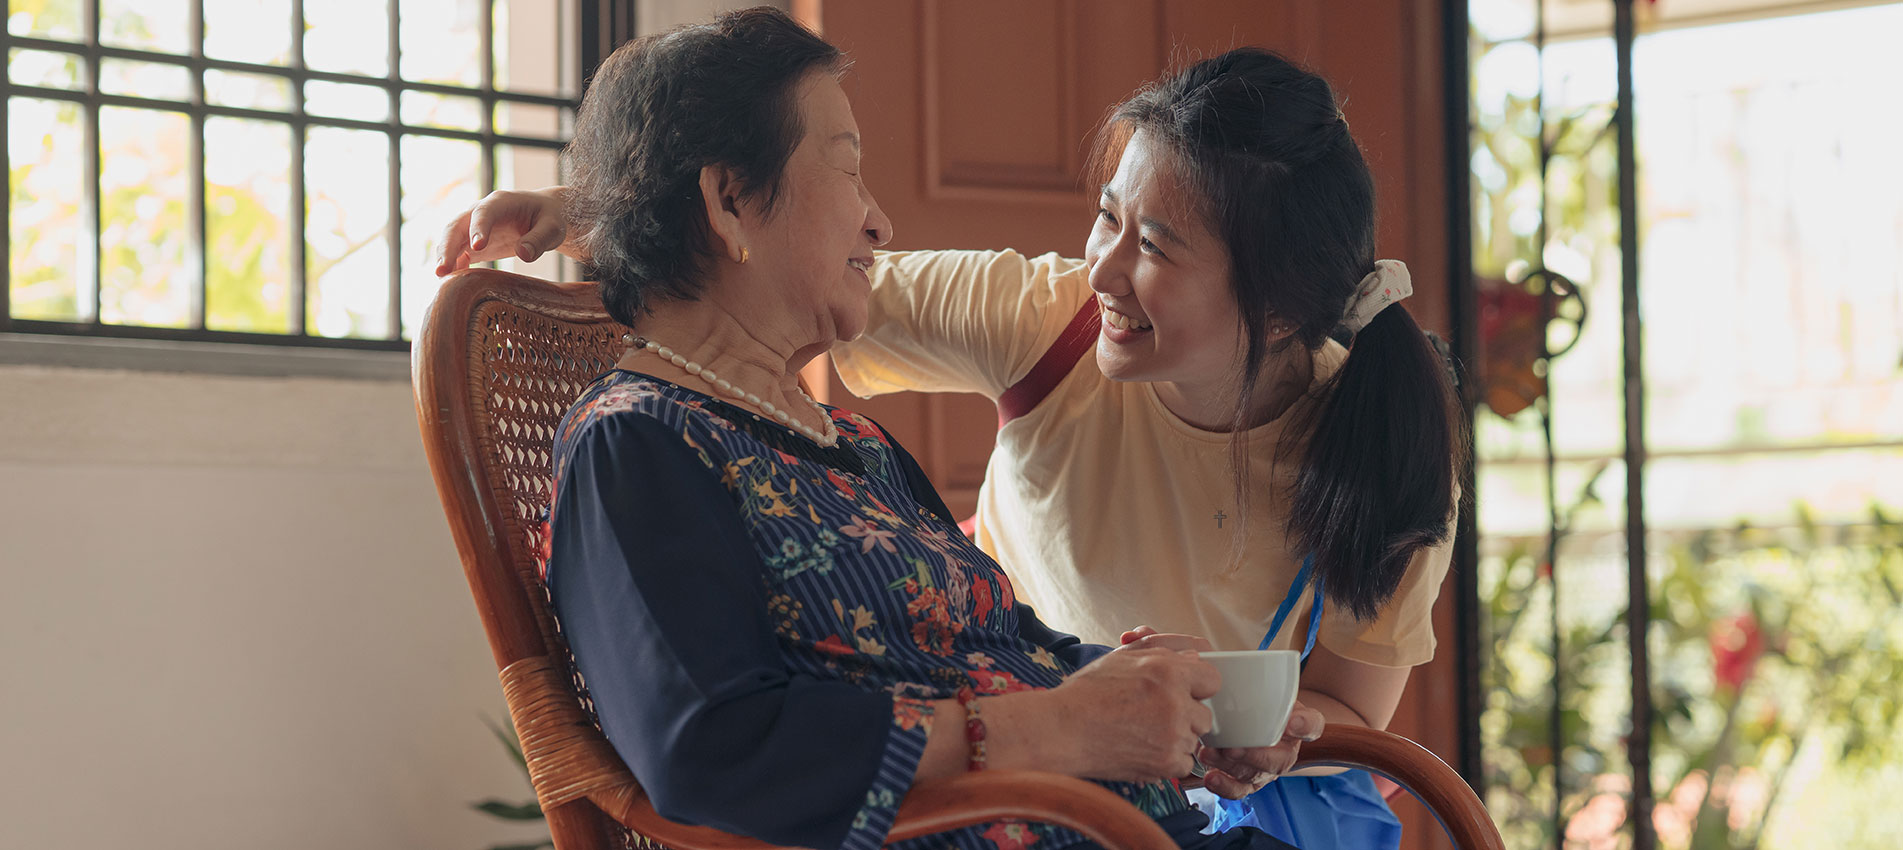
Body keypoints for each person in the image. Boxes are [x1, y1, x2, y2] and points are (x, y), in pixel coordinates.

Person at [441, 15, 1464, 850]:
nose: (880, 225)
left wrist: (1160, 706)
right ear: (729, 199)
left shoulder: (850, 447)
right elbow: (712, 747)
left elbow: (1006, 648)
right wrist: (586, 208)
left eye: (1154, 244)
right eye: (847, 168)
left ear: (1281, 307)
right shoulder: (646, 443)